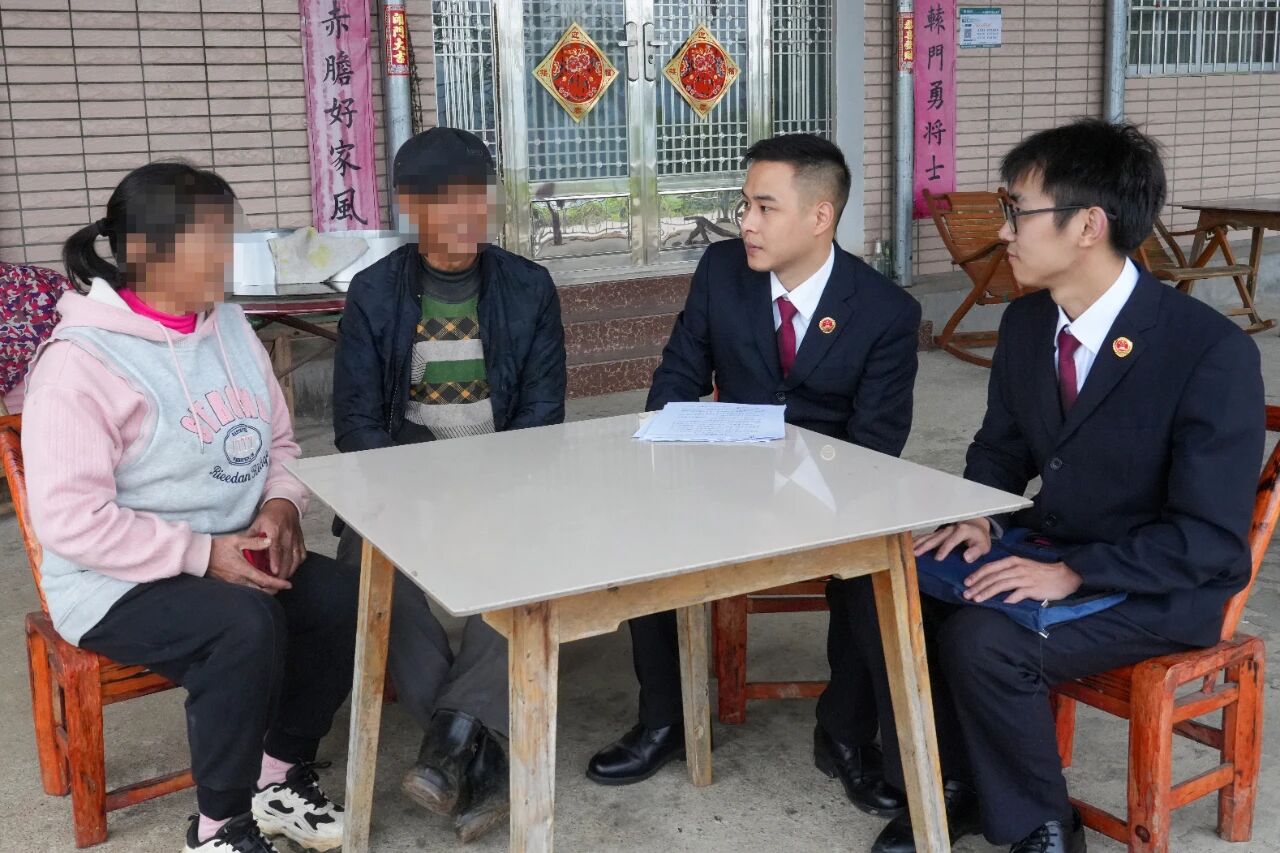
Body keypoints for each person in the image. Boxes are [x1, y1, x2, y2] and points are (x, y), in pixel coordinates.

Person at [853, 119, 1264, 853]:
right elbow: (1000, 448)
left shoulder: (1207, 352)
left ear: (1088, 226)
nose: (1002, 231)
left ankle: (1044, 827)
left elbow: (1207, 538)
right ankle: (948, 788)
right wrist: (980, 515)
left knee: (984, 639)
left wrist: (1074, 570)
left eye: (1017, 211)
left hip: (1157, 586)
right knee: (883, 582)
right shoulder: (1027, 323)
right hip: (1048, 546)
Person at [23, 162, 358, 853]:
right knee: (242, 626)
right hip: (112, 579)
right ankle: (218, 828)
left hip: (230, 547)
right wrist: (202, 554)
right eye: (209, 240)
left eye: (228, 237)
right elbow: (70, 521)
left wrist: (281, 502)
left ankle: (277, 778)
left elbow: (280, 442)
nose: (226, 257)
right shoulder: (78, 364)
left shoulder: (228, 324)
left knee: (338, 596)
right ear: (144, 251)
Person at [586, 133, 921, 821]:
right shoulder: (722, 272)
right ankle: (665, 718)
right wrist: (665, 444)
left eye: (766, 207)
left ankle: (846, 734)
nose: (746, 223)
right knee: (641, 529)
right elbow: (679, 374)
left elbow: (877, 444)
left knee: (877, 560)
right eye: (745, 205)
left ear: (820, 216)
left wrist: (803, 493)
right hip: (724, 474)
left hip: (831, 489)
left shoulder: (885, 310)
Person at [331, 127, 566, 842]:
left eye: (477, 196)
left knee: (525, 560)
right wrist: (424, 493)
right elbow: (356, 426)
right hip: (408, 490)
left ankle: (448, 751)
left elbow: (543, 419)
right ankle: (477, 751)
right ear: (411, 207)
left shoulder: (528, 287)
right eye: (445, 200)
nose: (467, 214)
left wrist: (489, 493)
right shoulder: (375, 293)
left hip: (506, 487)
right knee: (366, 566)